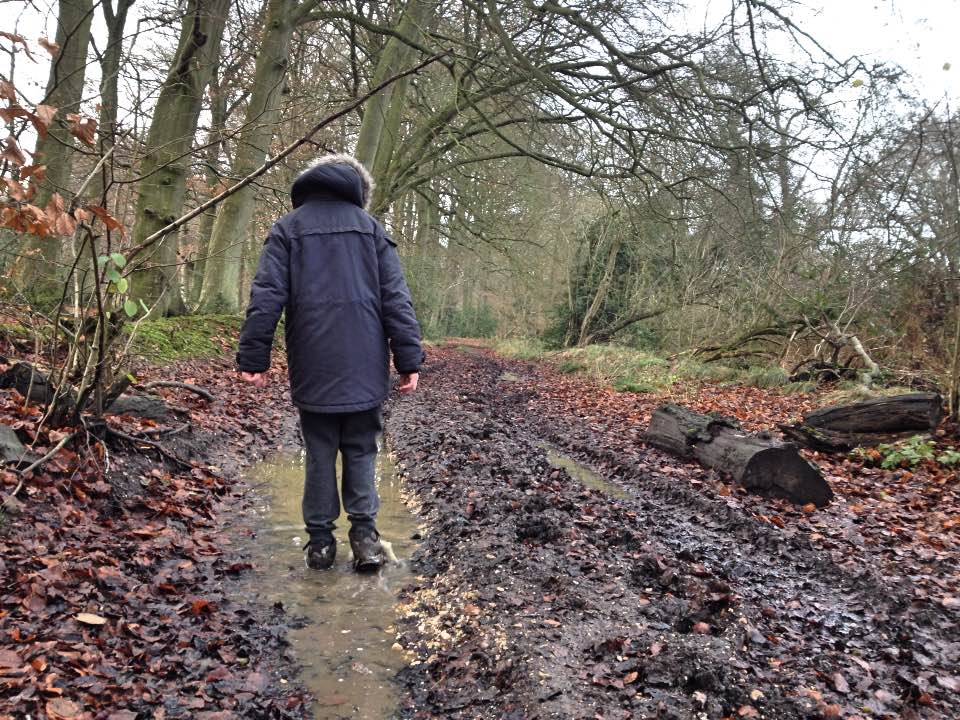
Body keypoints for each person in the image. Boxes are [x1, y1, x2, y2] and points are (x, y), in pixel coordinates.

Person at [236, 153, 423, 572]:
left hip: (313, 362)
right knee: (361, 448)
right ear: (359, 190)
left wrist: (254, 356)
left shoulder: (288, 228)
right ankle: (365, 538)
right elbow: (397, 299)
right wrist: (408, 357)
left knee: (319, 450)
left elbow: (266, 296)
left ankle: (320, 543)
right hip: (365, 364)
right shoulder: (371, 229)